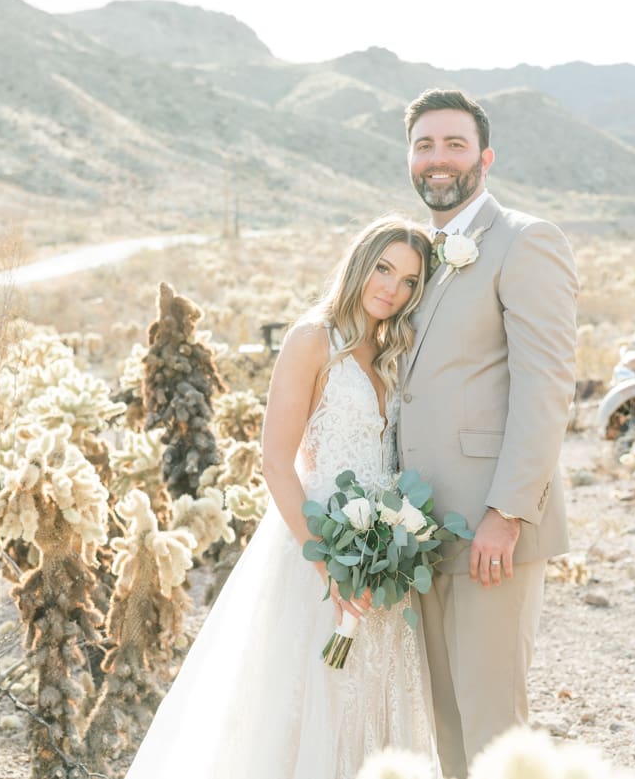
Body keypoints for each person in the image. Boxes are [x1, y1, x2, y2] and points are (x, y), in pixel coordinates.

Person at [125, 216, 442, 779]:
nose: (393, 289)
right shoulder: (312, 339)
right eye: (385, 269)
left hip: (383, 552)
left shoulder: (392, 347)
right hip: (316, 543)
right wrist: (328, 565)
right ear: (359, 264)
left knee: (372, 697)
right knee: (307, 701)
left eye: (411, 281)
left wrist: (395, 539)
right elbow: (276, 461)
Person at [398, 88, 579, 778]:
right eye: (424, 145)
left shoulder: (526, 241)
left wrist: (506, 512)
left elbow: (546, 385)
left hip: (490, 529)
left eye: (453, 144)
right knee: (445, 721)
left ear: (485, 158)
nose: (437, 159)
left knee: (494, 726)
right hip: (422, 527)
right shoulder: (416, 253)